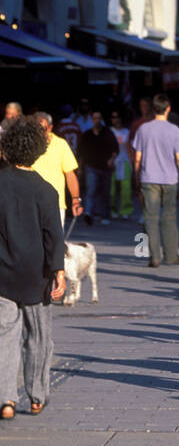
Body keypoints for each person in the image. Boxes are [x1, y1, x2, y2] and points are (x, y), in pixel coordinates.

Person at [0, 116, 66, 420]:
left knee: (4, 335)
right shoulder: (46, 190)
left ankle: (6, 400)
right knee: (39, 336)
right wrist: (59, 271)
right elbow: (54, 235)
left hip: (2, 273)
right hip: (36, 274)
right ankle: (37, 396)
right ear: (39, 150)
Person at [132, 95, 179, 268]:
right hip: (170, 179)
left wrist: (137, 175)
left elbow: (138, 157)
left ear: (153, 109)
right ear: (168, 109)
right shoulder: (175, 130)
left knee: (150, 217)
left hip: (148, 178)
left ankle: (154, 256)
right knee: (169, 217)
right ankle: (171, 255)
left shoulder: (143, 129)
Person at [31, 113, 83, 227]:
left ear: (50, 128)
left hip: (55, 205)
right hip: (31, 205)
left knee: (54, 243)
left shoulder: (61, 144)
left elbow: (70, 174)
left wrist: (75, 199)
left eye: (42, 128)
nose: (38, 132)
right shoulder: (28, 145)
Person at [77, 110, 118, 225]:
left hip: (105, 167)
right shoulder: (87, 135)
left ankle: (105, 215)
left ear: (101, 120)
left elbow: (115, 149)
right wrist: (80, 168)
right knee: (91, 190)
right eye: (94, 118)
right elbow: (81, 153)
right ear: (92, 120)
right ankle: (88, 213)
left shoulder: (108, 133)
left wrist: (112, 159)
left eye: (99, 118)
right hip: (91, 166)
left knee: (105, 192)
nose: (97, 121)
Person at [108, 110, 132, 218]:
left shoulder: (127, 132)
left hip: (124, 161)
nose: (116, 120)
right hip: (112, 162)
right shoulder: (109, 131)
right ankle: (111, 209)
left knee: (126, 188)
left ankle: (125, 210)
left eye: (118, 117)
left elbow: (130, 149)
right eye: (113, 117)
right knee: (111, 189)